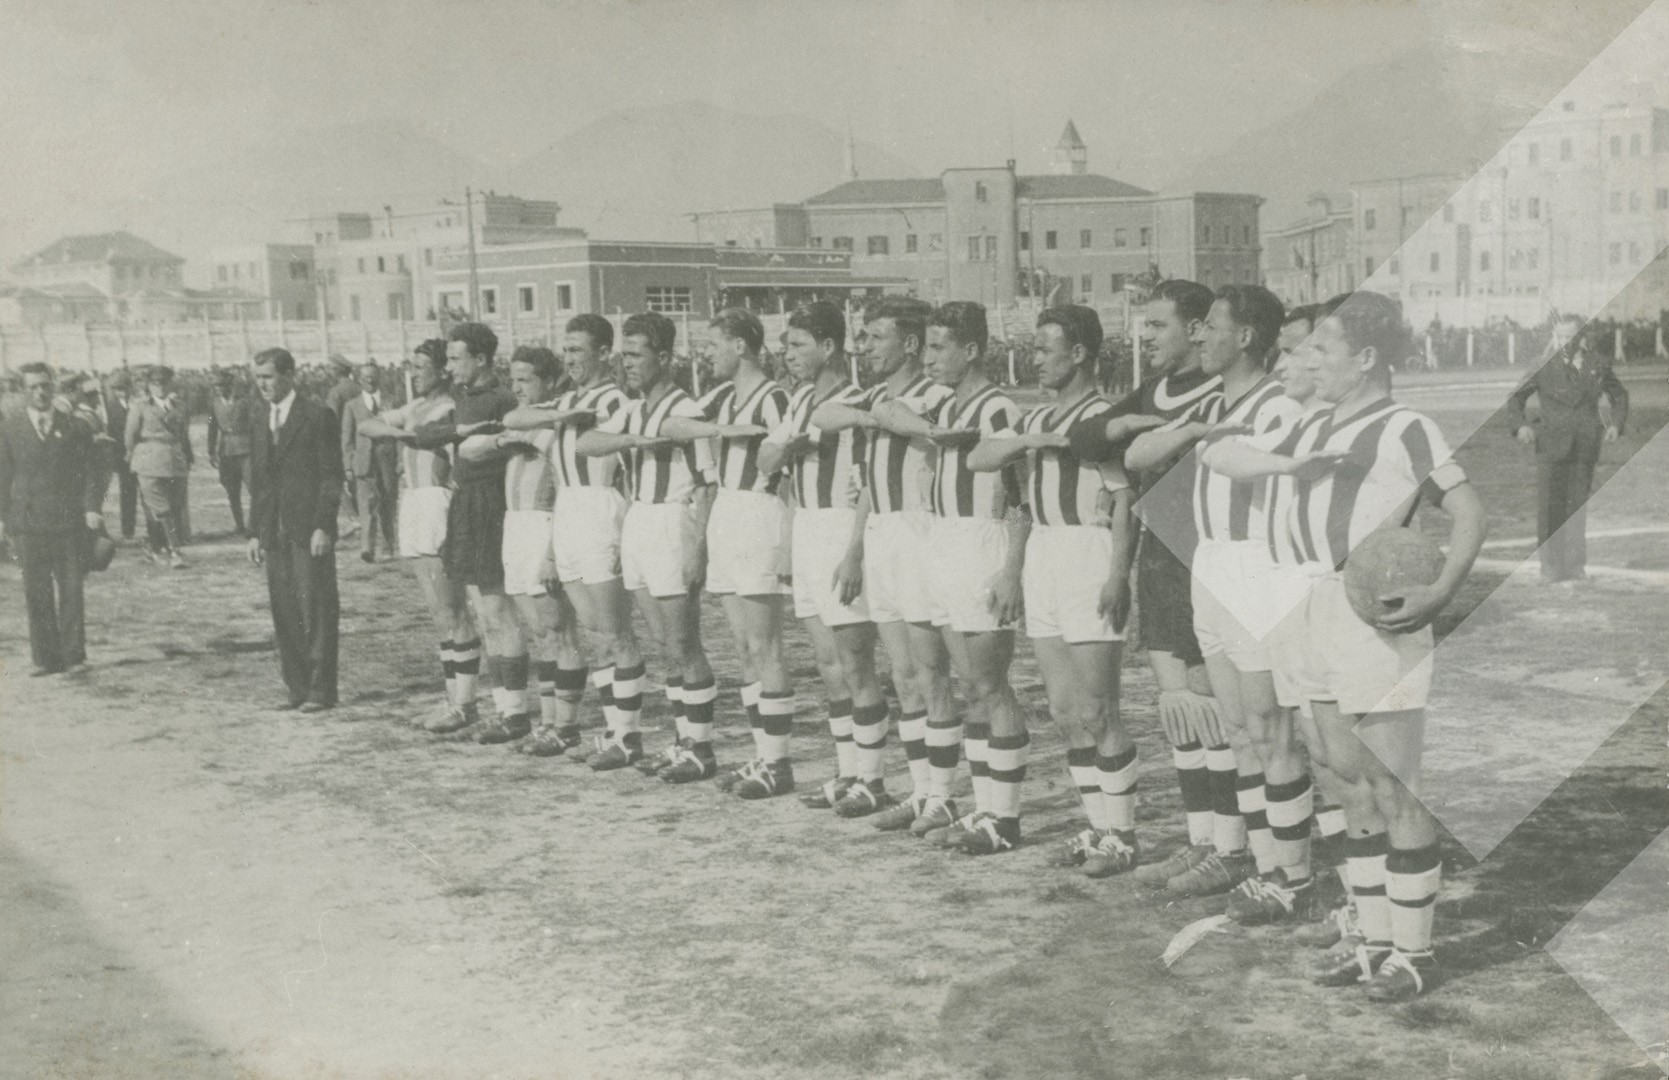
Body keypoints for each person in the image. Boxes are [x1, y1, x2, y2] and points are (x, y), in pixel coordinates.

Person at [1202, 290, 1486, 1002]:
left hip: (1368, 614)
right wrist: (1286, 466)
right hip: (1302, 605)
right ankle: (1373, 940)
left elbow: (1468, 509)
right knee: (1343, 779)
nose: (1308, 361)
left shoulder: (1405, 426)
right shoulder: (1310, 424)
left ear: (1364, 358)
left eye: (1322, 349)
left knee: (1391, 784)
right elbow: (1219, 452)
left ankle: (1412, 954)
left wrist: (1441, 590)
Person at [1135, 285, 1314, 921]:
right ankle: (1260, 865)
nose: (1200, 336)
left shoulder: (1279, 404)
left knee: (1269, 729)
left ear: (1244, 337)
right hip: (1210, 566)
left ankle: (1293, 876)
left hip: (1256, 566)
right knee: (1237, 730)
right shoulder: (1214, 403)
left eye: (1211, 326)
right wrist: (1193, 428)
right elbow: (1135, 454)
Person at [1069, 279, 1240, 896]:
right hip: (1159, 560)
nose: (1147, 337)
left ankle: (1232, 847)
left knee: (1213, 710)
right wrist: (1128, 423)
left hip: (1207, 559)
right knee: (1180, 712)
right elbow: (1084, 439)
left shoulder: (1222, 389)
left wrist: (1151, 436)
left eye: (1158, 325)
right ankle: (1200, 841)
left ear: (1196, 329)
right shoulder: (1153, 391)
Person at [967, 305, 1144, 875]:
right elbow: (981, 459)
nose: (1036, 358)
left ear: (1080, 353)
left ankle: (1123, 835)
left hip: (1088, 551)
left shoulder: (1103, 417)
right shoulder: (1037, 417)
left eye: (1046, 349)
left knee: (1099, 708)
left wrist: (1118, 574)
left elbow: (1125, 502)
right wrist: (1032, 438)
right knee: (1066, 710)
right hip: (1043, 553)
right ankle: (1099, 826)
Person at [809, 298, 956, 831]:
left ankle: (944, 795)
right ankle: (920, 791)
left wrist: (887, 417)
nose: (863, 347)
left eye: (875, 337)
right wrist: (854, 549)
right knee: (903, 675)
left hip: (921, 532)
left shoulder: (938, 396)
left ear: (910, 344)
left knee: (930, 671)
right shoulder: (874, 397)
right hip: (881, 534)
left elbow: (930, 445)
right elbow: (823, 417)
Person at [576, 311, 723, 781]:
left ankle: (700, 748)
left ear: (664, 357)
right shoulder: (635, 409)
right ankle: (682, 742)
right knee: (664, 646)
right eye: (625, 355)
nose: (628, 364)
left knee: (683, 643)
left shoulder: (687, 409)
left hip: (673, 520)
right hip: (639, 519)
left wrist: (699, 547)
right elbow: (586, 443)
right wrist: (637, 439)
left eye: (637, 355)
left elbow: (708, 484)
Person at [759, 302, 892, 811]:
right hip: (808, 528)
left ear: (830, 346)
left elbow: (871, 483)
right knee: (827, 664)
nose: (788, 355)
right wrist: (789, 448)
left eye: (798, 345)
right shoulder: (798, 401)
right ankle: (846, 772)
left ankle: (872, 780)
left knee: (855, 662)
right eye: (787, 346)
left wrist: (855, 551)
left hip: (843, 527)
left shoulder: (859, 400)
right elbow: (766, 459)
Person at [501, 315, 645, 763]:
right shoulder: (568, 401)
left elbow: (629, 466)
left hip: (600, 508)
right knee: (593, 636)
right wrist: (561, 413)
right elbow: (513, 417)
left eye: (578, 350)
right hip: (567, 511)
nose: (569, 359)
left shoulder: (615, 399)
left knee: (614, 632)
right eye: (566, 350)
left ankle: (628, 737)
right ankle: (613, 731)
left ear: (603, 353)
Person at [917, 301, 1030, 855]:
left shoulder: (998, 407)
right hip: (943, 542)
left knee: (990, 685)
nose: (928, 357)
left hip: (983, 542)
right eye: (927, 345)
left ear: (972, 350)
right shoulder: (942, 404)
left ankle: (1005, 819)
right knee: (968, 688)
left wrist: (1012, 570)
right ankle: (984, 809)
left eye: (939, 347)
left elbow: (1023, 494)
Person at [686, 308, 798, 799]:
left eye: (712, 345)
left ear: (739, 346)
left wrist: (789, 543)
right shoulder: (723, 398)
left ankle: (778, 764)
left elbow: (789, 473)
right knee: (741, 647)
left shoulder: (774, 397)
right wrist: (723, 431)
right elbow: (673, 424)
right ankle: (761, 755)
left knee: (765, 645)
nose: (704, 355)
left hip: (759, 512)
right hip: (727, 513)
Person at [353, 340, 481, 731]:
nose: (414, 372)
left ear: (443, 371)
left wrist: (402, 433)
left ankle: (465, 703)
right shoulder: (415, 407)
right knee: (439, 614)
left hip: (437, 502)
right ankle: (451, 698)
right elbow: (366, 424)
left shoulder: (451, 407)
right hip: (414, 503)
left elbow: (430, 437)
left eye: (422, 366)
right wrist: (403, 433)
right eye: (412, 365)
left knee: (453, 610)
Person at [472, 346, 590, 753]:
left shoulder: (560, 423)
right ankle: (548, 722)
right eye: (513, 380)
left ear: (550, 381)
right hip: (516, 528)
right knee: (540, 635)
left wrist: (553, 552)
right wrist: (501, 439)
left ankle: (566, 725)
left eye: (526, 380)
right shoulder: (522, 422)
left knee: (559, 632)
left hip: (544, 525)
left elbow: (567, 492)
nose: (517, 388)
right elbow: (469, 449)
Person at [412, 324, 526, 742]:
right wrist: (457, 433)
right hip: (465, 504)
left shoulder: (501, 399)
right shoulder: (464, 399)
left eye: (457, 358)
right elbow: (422, 435)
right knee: (483, 613)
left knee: (498, 612)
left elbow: (497, 448)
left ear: (481, 359)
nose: (449, 367)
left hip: (489, 504)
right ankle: (498, 708)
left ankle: (515, 713)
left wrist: (465, 439)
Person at [247, 348, 344, 712]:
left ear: (289, 376)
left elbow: (331, 477)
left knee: (316, 607)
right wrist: (255, 532)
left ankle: (321, 690)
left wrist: (323, 526)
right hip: (274, 532)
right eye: (258, 378)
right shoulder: (259, 417)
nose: (262, 385)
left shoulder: (317, 416)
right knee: (284, 611)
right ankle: (297, 688)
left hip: (308, 530)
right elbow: (259, 482)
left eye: (268, 377)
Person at [1506, 313, 1628, 584]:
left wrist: (1616, 425)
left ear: (1581, 337)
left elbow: (1619, 395)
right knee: (1549, 508)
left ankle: (1575, 567)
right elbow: (1515, 399)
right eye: (1558, 336)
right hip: (1551, 446)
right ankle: (1550, 568)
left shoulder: (1598, 365)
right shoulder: (1543, 366)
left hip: (1584, 446)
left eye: (1568, 336)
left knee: (1577, 507)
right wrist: (1520, 426)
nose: (1562, 341)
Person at [0, 364, 104, 676]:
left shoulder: (75, 426)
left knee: (71, 588)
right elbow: (3, 476)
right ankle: (46, 658)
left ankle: (73, 656)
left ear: (53, 387)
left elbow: (91, 471)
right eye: (32, 387)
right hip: (28, 522)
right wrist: (2, 519)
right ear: (23, 390)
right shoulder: (10, 427)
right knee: (36, 591)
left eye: (45, 385)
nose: (40, 392)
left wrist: (92, 507)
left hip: (67, 520)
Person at [124, 365, 192, 569]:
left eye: (164, 383)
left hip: (175, 461)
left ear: (170, 384)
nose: (160, 387)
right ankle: (174, 550)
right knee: (161, 509)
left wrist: (185, 457)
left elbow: (183, 433)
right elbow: (130, 435)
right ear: (149, 386)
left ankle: (154, 546)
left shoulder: (179, 406)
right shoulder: (140, 406)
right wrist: (133, 455)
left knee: (174, 506)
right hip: (149, 461)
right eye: (155, 383)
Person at [340, 361, 400, 562]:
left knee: (388, 503)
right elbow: (347, 438)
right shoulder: (352, 405)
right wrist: (348, 465)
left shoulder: (391, 402)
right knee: (366, 505)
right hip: (363, 462)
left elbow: (400, 432)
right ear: (359, 380)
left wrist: (400, 459)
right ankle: (367, 548)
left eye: (373, 376)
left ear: (379, 378)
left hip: (388, 461)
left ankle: (388, 546)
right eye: (366, 377)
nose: (370, 380)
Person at [206, 368, 255, 537]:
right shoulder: (214, 403)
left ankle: (254, 526)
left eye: (222, 385)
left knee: (253, 488)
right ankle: (239, 525)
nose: (219, 389)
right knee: (232, 490)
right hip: (226, 451)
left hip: (246, 450)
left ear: (230, 385)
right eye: (216, 386)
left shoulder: (245, 401)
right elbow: (212, 428)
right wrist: (211, 451)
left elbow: (255, 425)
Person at [324, 353, 361, 538]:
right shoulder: (358, 388)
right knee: (356, 481)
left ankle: (353, 518)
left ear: (337, 371)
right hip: (360, 440)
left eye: (331, 368)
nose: (328, 372)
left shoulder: (336, 392)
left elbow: (330, 420)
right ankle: (362, 518)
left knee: (336, 481)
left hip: (340, 442)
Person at [103, 372, 139, 540]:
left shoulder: (138, 404)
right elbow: (111, 433)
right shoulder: (110, 407)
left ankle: (156, 531)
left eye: (124, 389)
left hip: (141, 454)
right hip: (123, 457)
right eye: (117, 389)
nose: (121, 392)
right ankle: (128, 530)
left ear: (130, 388)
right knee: (127, 494)